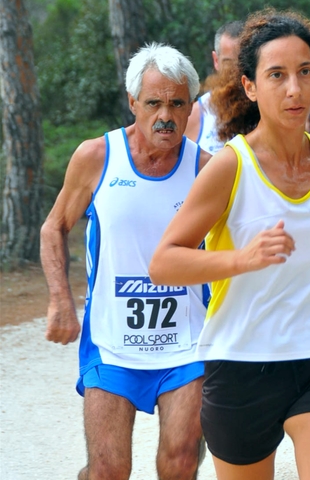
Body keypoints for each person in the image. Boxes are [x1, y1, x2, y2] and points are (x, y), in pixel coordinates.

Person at [150, 10, 310, 480]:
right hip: (241, 363)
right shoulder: (230, 167)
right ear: (250, 86)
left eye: (304, 72)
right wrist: (242, 258)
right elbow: (164, 263)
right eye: (277, 75)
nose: (295, 89)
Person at [40, 43, 211, 480]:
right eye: (153, 103)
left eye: (177, 103)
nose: (165, 115)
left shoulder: (207, 169)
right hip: (113, 341)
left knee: (181, 462)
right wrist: (61, 300)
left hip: (187, 342)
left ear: (192, 106)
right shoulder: (97, 157)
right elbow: (54, 226)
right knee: (108, 470)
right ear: (132, 102)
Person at [184, 21, 243, 154]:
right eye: (229, 64)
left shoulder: (272, 110)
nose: (237, 72)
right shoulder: (195, 116)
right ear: (216, 60)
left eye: (243, 63)